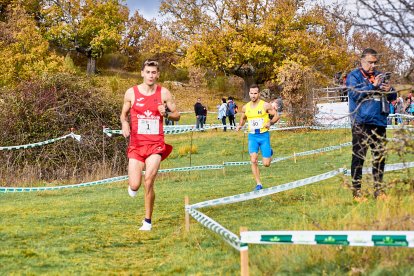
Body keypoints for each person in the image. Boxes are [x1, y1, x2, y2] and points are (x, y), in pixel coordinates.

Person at [120, 59, 180, 231]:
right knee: (135, 185)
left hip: (155, 145)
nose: (151, 75)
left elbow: (177, 115)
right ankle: (132, 186)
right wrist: (124, 124)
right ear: (142, 73)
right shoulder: (131, 93)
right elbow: (123, 115)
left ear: (158, 74)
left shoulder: (164, 93)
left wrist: (167, 113)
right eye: (148, 72)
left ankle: (147, 220)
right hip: (137, 146)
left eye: (154, 73)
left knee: (149, 181)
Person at [346, 48, 397, 201]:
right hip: (361, 123)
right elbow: (354, 93)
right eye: (370, 62)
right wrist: (373, 86)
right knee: (359, 158)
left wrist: (390, 90)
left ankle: (379, 191)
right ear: (361, 61)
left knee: (379, 158)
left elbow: (392, 97)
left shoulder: (380, 76)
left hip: (379, 122)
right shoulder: (353, 76)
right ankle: (356, 193)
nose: (373, 66)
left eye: (375, 62)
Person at [236, 84, 280, 191]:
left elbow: (276, 115)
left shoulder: (265, 105)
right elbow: (243, 118)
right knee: (253, 159)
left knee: (266, 164)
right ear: (249, 93)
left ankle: (269, 152)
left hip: (264, 136)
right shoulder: (245, 107)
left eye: (255, 93)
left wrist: (270, 122)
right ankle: (259, 184)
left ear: (258, 94)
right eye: (251, 93)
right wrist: (240, 125)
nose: (253, 95)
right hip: (252, 137)